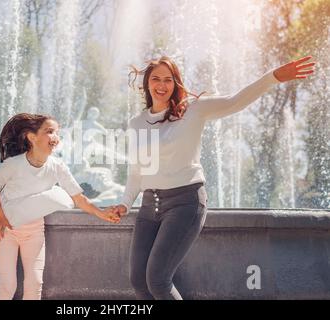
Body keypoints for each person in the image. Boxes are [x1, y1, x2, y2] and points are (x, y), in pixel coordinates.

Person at [111, 55, 315, 300]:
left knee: (157, 279)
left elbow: (235, 101)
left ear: (176, 84)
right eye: (156, 79)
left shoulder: (193, 110)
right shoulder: (136, 123)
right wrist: (125, 202)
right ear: (147, 83)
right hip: (149, 206)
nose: (162, 85)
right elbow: (137, 171)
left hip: (184, 202)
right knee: (138, 281)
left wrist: (272, 78)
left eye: (168, 80)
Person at [0, 113, 120, 300]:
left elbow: (78, 199)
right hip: (6, 230)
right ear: (32, 137)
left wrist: (102, 213)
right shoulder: (14, 165)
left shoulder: (57, 166)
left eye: (57, 133)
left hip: (34, 230)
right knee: (8, 286)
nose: (55, 137)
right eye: (49, 132)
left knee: (35, 283)